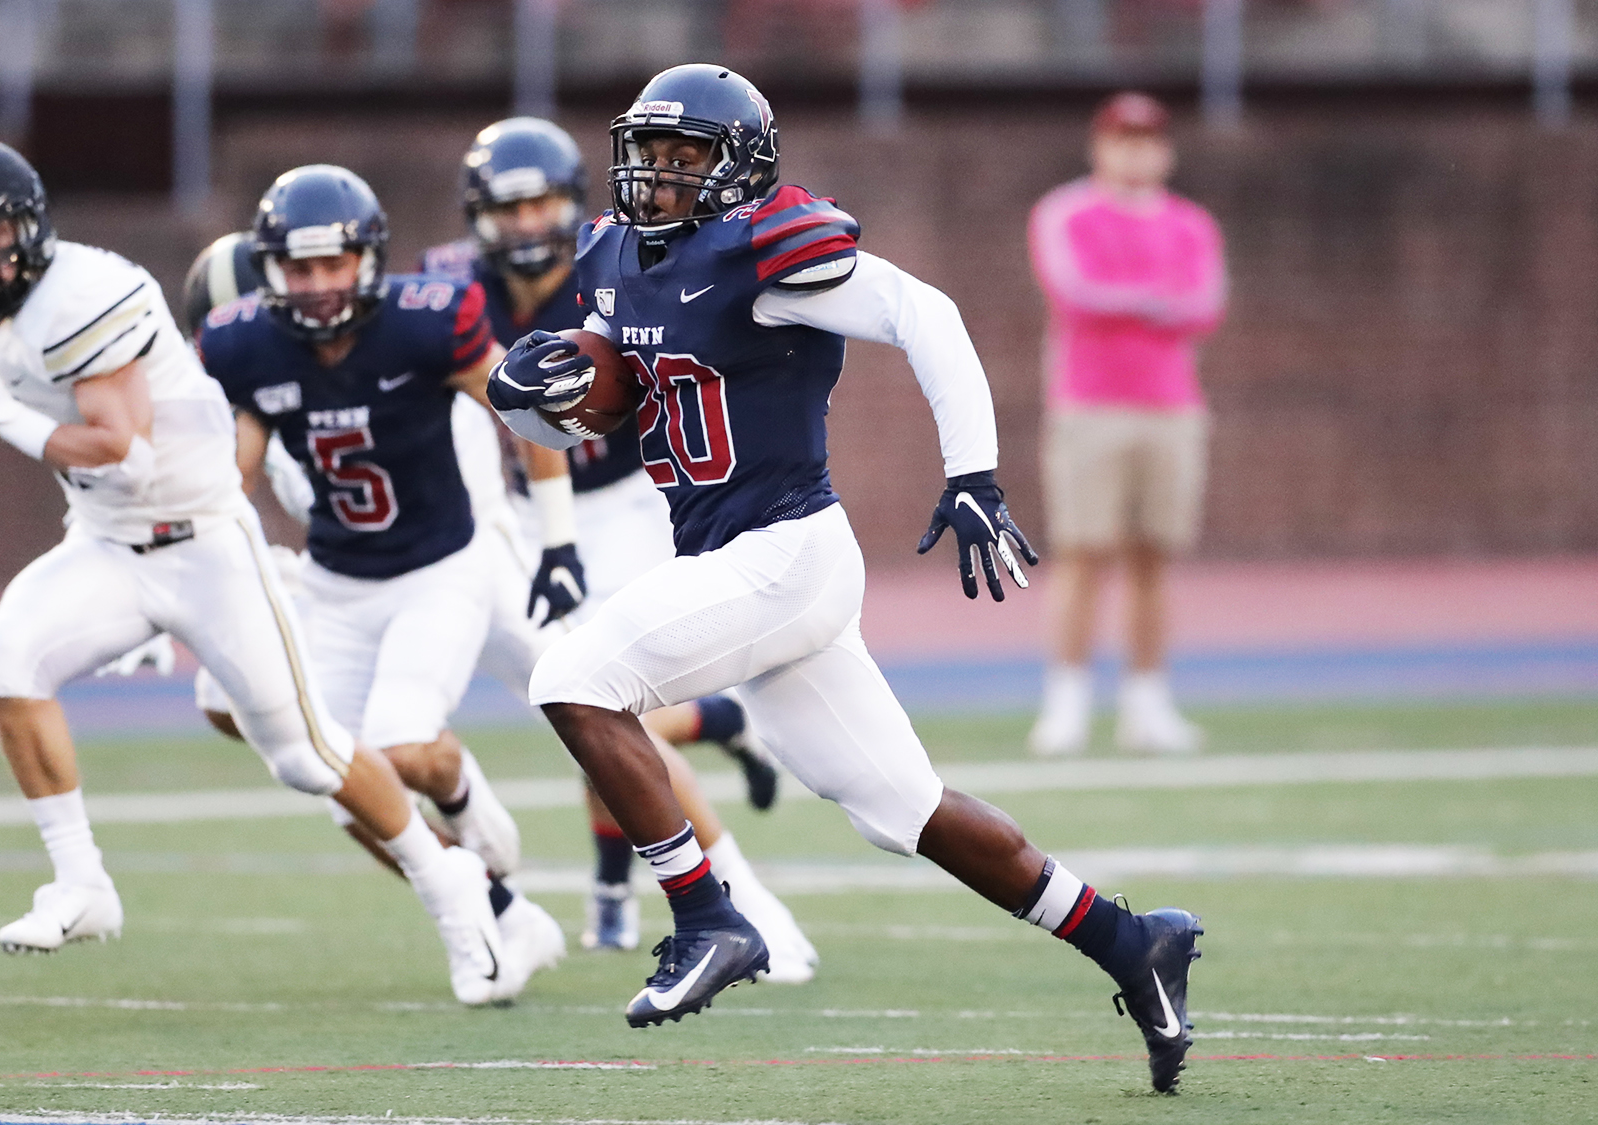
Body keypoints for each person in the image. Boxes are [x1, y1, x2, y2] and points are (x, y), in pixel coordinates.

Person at [486, 65, 1205, 1093]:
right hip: (741, 558)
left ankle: (706, 916)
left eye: (686, 156)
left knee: (570, 678)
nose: (657, 174)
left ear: (739, 167)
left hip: (783, 550)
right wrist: (529, 398)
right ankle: (1131, 942)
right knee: (899, 810)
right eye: (649, 152)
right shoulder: (612, 254)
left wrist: (972, 474)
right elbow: (605, 389)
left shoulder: (765, 248)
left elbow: (930, 316)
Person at [0, 139, 518, 1006]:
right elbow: (96, 478)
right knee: (1, 659)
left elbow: (120, 451)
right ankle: (82, 881)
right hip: (108, 540)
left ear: (33, 223)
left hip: (200, 542)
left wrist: (4, 418)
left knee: (307, 757)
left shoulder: (89, 294)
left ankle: (451, 886)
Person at [431, 117, 816, 977]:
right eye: (510, 206)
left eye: (544, 204)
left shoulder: (619, 257)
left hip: (628, 499)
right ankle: (718, 728)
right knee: (582, 698)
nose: (530, 223)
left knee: (613, 698)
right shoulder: (451, 289)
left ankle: (748, 904)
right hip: (518, 512)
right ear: (478, 215)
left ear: (572, 203)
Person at [193, 166, 585, 994]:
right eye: (300, 270)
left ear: (367, 258)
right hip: (338, 585)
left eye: (333, 263)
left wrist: (557, 541)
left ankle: (463, 789)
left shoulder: (426, 322)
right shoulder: (245, 346)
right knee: (334, 781)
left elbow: (526, 407)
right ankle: (505, 911)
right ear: (271, 273)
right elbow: (231, 486)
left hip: (442, 568)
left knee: (403, 746)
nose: (320, 285)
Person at [1024, 91, 1227, 757]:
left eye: (1146, 140)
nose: (1135, 152)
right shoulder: (1066, 212)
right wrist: (1150, 299)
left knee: (1153, 557)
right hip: (1090, 405)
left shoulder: (1192, 223)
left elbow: (1205, 304)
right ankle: (1067, 700)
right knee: (1083, 553)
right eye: (1122, 139)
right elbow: (1075, 290)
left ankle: (1147, 699)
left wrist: (1140, 302)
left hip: (1172, 406)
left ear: (1164, 151)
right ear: (1100, 146)